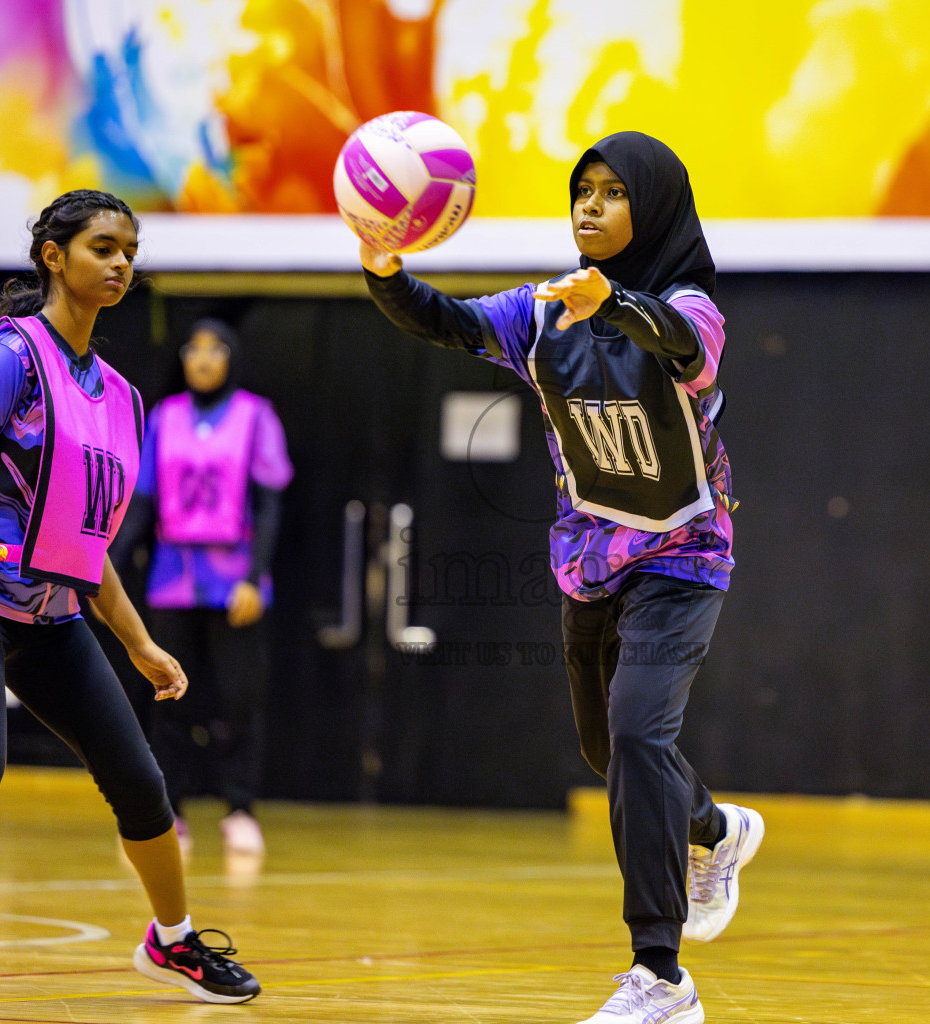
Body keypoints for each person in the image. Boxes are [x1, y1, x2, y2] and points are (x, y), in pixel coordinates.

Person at [360, 131, 761, 1024]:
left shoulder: (691, 306)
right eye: (583, 190)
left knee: (639, 731)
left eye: (614, 193)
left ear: (652, 209)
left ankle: (661, 978)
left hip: (684, 555)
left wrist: (613, 300)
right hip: (592, 558)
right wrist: (385, 269)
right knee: (609, 750)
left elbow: (684, 348)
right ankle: (716, 830)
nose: (591, 206)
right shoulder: (542, 312)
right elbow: (446, 320)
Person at [0, 190, 260, 1010]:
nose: (121, 263)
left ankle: (172, 943)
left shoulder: (118, 395)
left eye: (129, 250)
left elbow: (84, 542)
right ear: (54, 257)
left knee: (139, 779)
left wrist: (137, 642)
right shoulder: (9, 361)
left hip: (49, 609)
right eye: (103, 247)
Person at [111, 318, 293, 857]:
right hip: (173, 579)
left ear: (231, 358)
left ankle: (240, 808)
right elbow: (141, 502)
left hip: (234, 581)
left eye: (216, 350)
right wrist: (106, 566)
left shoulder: (255, 416)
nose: (204, 359)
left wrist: (254, 578)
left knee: (239, 699)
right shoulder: (163, 418)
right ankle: (168, 810)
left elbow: (269, 505)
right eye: (194, 349)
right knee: (169, 697)